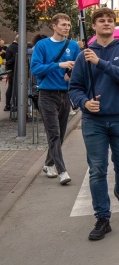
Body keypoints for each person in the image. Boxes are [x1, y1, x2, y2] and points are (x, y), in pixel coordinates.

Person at [68, 8, 119, 241]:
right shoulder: (83, 56)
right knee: (97, 170)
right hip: (93, 122)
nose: (106, 23)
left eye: (110, 20)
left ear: (114, 25)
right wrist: (85, 103)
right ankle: (102, 218)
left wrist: (99, 62)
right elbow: (74, 88)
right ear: (94, 26)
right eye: (101, 20)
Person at [30, 14, 80, 185]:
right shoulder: (42, 45)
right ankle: (62, 171)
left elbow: (78, 67)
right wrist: (59, 65)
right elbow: (36, 68)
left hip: (65, 94)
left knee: (61, 134)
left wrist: (70, 74)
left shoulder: (73, 45)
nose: (67, 28)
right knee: (54, 133)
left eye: (68, 25)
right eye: (63, 24)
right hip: (47, 94)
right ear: (54, 26)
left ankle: (48, 164)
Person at [3, 35, 18, 111]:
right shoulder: (15, 47)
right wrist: (9, 62)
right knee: (13, 87)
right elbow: (16, 57)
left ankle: (8, 105)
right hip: (15, 70)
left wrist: (8, 63)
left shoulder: (10, 47)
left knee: (10, 87)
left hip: (11, 70)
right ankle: (12, 105)